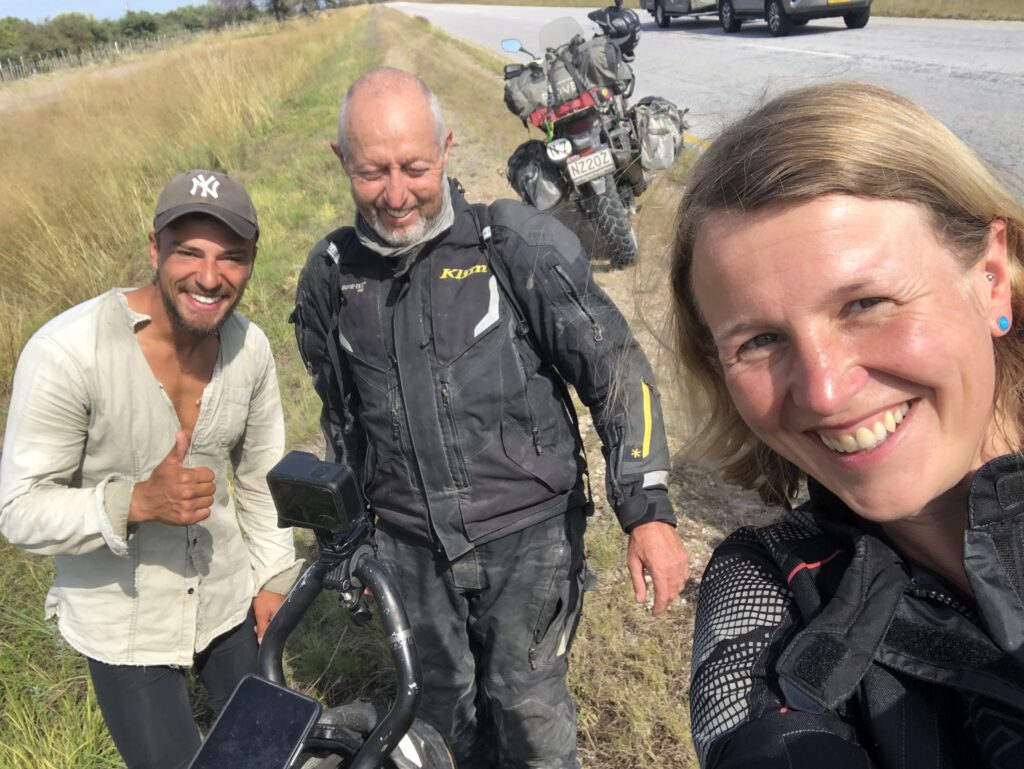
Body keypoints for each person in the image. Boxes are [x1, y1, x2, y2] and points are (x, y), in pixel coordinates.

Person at [293, 68, 690, 768]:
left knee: (528, 707)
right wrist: (347, 537)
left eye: (415, 167)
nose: (395, 194)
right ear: (340, 161)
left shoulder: (512, 245)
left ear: (446, 150)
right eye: (371, 171)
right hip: (410, 548)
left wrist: (648, 508)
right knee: (437, 714)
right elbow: (340, 416)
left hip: (528, 540)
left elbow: (617, 370)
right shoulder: (331, 275)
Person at [672, 81, 1024, 768]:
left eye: (865, 302)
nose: (827, 392)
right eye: (760, 342)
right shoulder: (770, 583)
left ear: (990, 280)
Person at [0, 169, 302, 769]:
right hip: (123, 621)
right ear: (154, 249)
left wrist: (273, 579)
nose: (210, 278)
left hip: (225, 596)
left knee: (270, 751)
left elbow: (262, 478)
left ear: (252, 262)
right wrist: (134, 502)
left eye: (231, 258)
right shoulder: (68, 353)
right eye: (189, 252)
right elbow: (18, 508)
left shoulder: (252, 349)